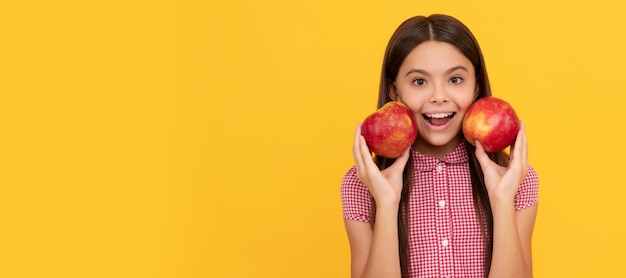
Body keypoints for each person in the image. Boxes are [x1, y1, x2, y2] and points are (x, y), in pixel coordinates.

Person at [340, 14, 539, 278]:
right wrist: (386, 203)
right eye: (419, 81)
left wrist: (502, 199)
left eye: (455, 79)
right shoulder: (361, 183)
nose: (438, 97)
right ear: (393, 90)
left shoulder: (516, 179)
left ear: (476, 85)